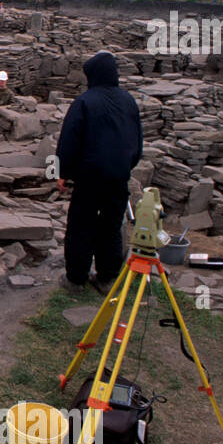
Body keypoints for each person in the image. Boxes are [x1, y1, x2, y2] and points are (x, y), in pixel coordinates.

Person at [56, 51, 143, 294]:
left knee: (81, 226)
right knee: (111, 226)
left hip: (89, 178)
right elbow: (137, 141)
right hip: (118, 177)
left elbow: (69, 141)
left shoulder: (85, 101)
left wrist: (63, 172)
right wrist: (125, 165)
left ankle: (76, 278)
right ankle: (107, 277)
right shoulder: (128, 101)